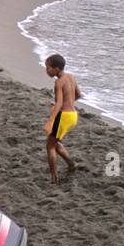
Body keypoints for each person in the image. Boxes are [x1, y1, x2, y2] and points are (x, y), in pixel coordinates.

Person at [44, 53, 81, 183]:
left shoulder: (58, 82)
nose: (46, 70)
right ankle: (71, 164)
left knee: (50, 146)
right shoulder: (71, 77)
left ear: (56, 69)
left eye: (48, 67)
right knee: (54, 141)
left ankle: (54, 178)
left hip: (64, 116)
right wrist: (69, 103)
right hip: (73, 115)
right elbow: (78, 94)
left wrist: (50, 121)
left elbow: (59, 104)